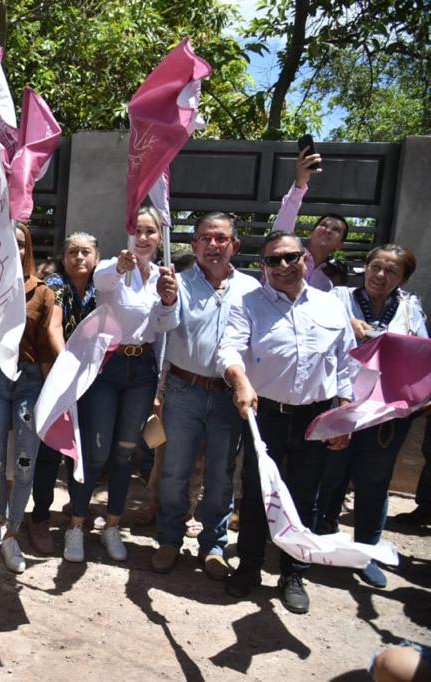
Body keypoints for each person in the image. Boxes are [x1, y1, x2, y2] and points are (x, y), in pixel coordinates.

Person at [217, 231, 355, 614]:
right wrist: (240, 379)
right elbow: (229, 347)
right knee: (259, 495)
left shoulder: (331, 306)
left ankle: (293, 572)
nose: (283, 266)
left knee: (304, 497)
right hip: (265, 417)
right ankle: (248, 567)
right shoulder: (248, 304)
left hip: (316, 417)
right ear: (263, 267)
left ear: (305, 260)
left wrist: (344, 414)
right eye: (274, 260)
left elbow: (346, 362)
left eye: (290, 257)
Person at [150, 213, 260, 579]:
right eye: (205, 238)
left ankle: (213, 545)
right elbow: (162, 329)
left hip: (228, 397)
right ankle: (169, 539)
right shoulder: (176, 283)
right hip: (184, 390)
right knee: (175, 471)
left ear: (235, 246)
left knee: (221, 475)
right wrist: (166, 303)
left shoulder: (251, 290)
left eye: (221, 239)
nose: (213, 245)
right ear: (194, 244)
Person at [315, 244, 427, 587]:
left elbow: (421, 350)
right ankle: (322, 540)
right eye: (376, 267)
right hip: (342, 402)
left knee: (374, 482)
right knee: (329, 474)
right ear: (365, 268)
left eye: (391, 271)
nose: (381, 276)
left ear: (403, 278)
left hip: (386, 413)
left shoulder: (409, 308)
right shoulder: (338, 299)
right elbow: (321, 335)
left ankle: (366, 552)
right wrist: (350, 326)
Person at [63, 207, 165, 564]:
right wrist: (120, 266)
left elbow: (166, 327)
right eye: (136, 230)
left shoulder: (163, 277)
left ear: (160, 237)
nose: (143, 237)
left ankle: (111, 525)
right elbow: (102, 280)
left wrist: (169, 300)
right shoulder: (113, 266)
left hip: (143, 370)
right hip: (108, 365)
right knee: (96, 452)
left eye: (150, 231)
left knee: (125, 453)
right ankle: (76, 526)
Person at [0, 222, 61, 573]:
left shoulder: (42, 292)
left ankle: (10, 533)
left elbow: (45, 343)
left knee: (24, 464)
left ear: (28, 248)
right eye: (8, 244)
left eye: (21, 244)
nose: (16, 249)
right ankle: (3, 523)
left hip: (29, 380)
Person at [28, 232, 98, 555]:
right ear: (64, 257)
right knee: (50, 452)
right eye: (73, 252)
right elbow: (53, 327)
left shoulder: (103, 288)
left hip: (94, 382)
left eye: (86, 252)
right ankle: (40, 517)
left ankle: (76, 515)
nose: (79, 257)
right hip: (59, 378)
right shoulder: (56, 284)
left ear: (96, 257)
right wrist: (68, 362)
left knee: (83, 451)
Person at [270, 147, 348, 291]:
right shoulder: (288, 253)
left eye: (336, 230)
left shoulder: (333, 278)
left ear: (340, 245)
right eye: (323, 225)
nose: (328, 230)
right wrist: (300, 182)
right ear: (311, 233)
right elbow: (282, 226)